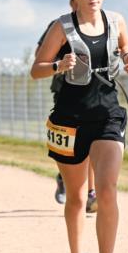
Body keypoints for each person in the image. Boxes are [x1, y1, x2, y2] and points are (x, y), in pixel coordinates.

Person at [32, 0, 128, 253]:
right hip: (70, 118)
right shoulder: (62, 28)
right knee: (77, 197)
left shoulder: (116, 21)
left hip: (108, 114)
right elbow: (36, 69)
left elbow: (126, 46)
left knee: (106, 190)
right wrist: (58, 66)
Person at [37, 19, 98, 211]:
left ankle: (91, 192)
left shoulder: (99, 25)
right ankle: (64, 178)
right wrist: (59, 64)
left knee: (92, 143)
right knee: (73, 145)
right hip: (65, 93)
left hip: (93, 94)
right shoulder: (59, 26)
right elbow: (39, 58)